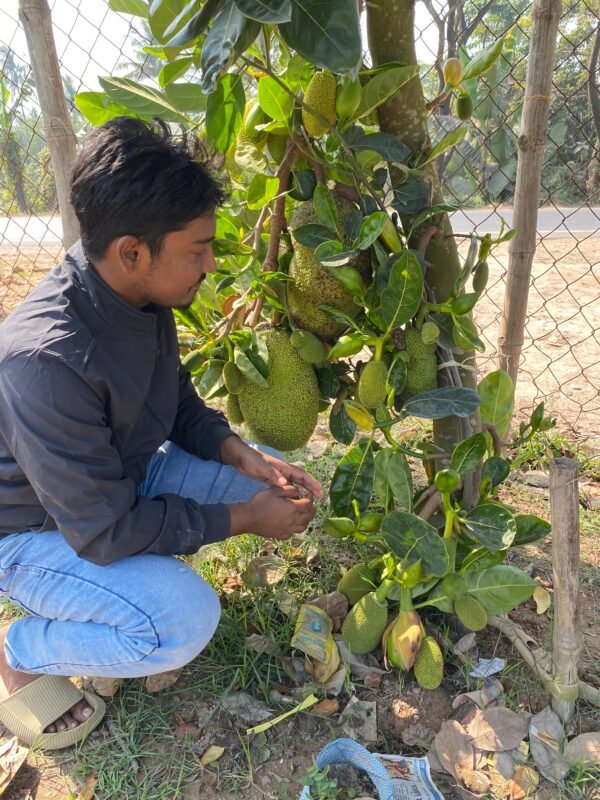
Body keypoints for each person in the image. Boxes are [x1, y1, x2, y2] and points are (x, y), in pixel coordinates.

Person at [0, 117, 322, 750]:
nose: (209, 265)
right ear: (132, 251)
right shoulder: (45, 363)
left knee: (278, 469)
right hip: (36, 530)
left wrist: (241, 455)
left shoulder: (138, 293)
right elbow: (105, 530)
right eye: (198, 250)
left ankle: (130, 583)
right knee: (180, 621)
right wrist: (242, 518)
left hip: (126, 472)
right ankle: (19, 649)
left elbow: (174, 400)